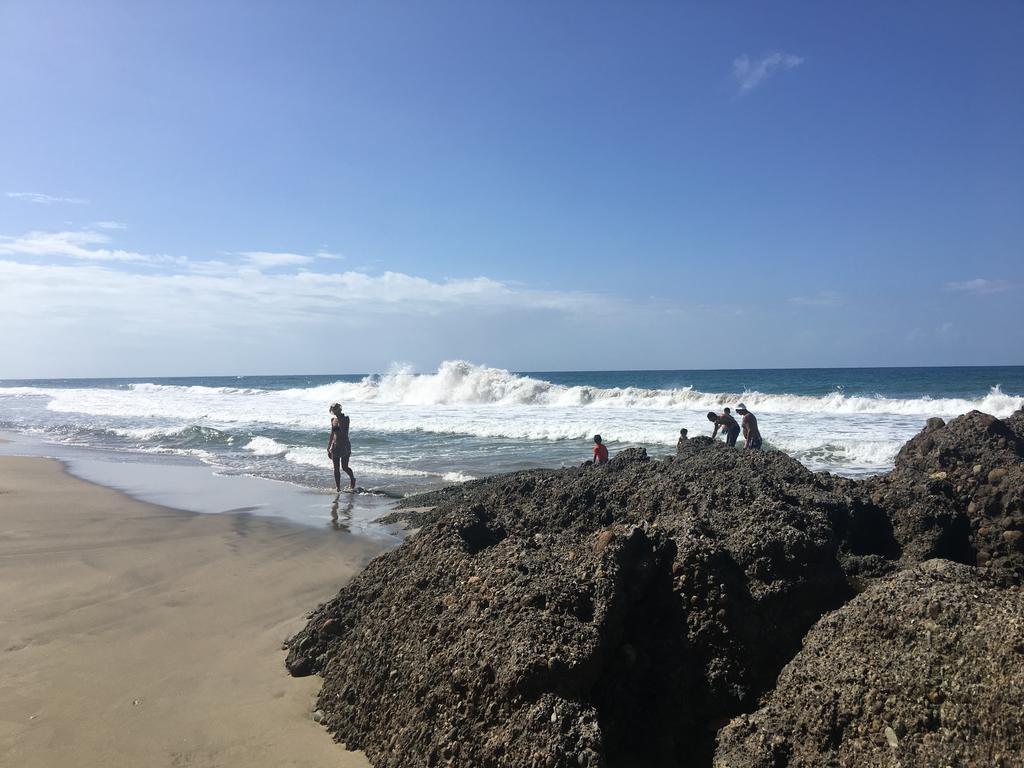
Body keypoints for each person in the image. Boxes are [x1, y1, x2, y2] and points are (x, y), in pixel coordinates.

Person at [327, 402, 356, 491]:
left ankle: (352, 479)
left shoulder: (346, 419)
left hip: (345, 446)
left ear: (340, 409)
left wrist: (339, 419)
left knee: (344, 467)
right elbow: (332, 434)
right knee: (336, 469)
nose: (335, 411)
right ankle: (338, 488)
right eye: (333, 410)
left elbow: (343, 431)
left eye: (336, 409)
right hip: (335, 446)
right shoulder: (333, 420)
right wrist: (329, 447)